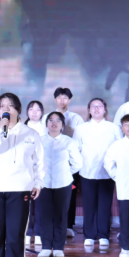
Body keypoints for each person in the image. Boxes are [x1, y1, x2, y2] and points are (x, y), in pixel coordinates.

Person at [0, 92, 45, 257]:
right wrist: (0, 130)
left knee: (15, 236)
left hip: (19, 189)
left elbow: (40, 162)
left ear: (18, 109)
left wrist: (38, 183)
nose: (6, 109)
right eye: (2, 106)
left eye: (10, 105)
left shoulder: (30, 133)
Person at [73, 98, 120, 247]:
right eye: (93, 106)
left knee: (105, 205)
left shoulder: (113, 128)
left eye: (99, 106)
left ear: (105, 109)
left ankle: (103, 234)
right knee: (89, 205)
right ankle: (89, 235)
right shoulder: (81, 128)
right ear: (89, 110)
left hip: (108, 173)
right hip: (87, 172)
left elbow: (119, 149)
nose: (96, 109)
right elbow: (76, 149)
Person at [37, 111, 82, 257]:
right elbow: (33, 162)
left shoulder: (69, 142)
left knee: (61, 216)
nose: (54, 123)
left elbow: (78, 163)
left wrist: (65, 173)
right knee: (44, 216)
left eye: (58, 120)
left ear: (62, 125)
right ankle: (45, 247)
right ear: (46, 124)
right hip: (43, 184)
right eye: (51, 120)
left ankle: (58, 247)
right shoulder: (39, 141)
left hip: (63, 183)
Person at [41, 88, 84, 237]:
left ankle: (68, 225)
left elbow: (79, 141)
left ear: (69, 100)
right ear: (55, 99)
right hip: (48, 167)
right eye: (59, 98)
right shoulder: (46, 117)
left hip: (69, 163)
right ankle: (48, 231)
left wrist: (67, 169)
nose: (62, 101)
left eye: (65, 98)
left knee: (68, 197)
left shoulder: (76, 118)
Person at [104, 113, 129, 257]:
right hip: (125, 188)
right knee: (125, 220)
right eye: (126, 124)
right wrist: (117, 177)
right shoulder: (117, 145)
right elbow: (108, 163)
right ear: (122, 128)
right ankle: (125, 247)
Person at [25, 100, 46, 245]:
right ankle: (27, 233)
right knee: (25, 206)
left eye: (37, 110)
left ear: (42, 113)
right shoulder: (21, 129)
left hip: (40, 172)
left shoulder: (46, 129)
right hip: (25, 173)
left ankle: (38, 233)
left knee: (40, 206)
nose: (34, 112)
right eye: (31, 109)